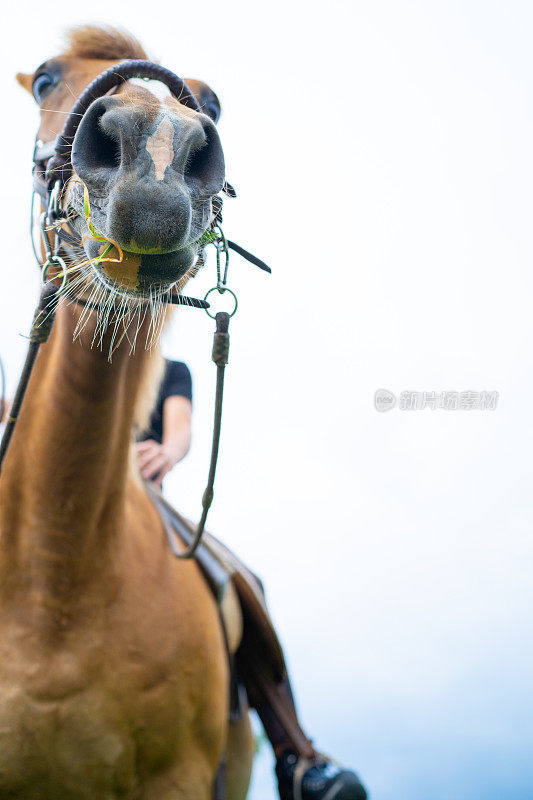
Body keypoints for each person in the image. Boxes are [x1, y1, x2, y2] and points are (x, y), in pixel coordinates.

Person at [137, 359, 367, 800]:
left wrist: (167, 451)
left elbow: (179, 427)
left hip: (146, 501)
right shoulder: (63, 357)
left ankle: (295, 756)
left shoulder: (168, 370)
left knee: (244, 580)